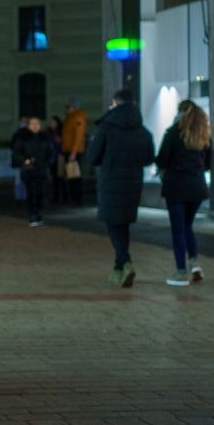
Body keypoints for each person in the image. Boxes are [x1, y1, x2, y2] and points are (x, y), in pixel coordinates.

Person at [87, 89, 154, 287]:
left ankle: (125, 261)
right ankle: (118, 267)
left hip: (110, 183)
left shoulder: (106, 128)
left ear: (115, 103)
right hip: (133, 184)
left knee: (114, 224)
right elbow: (149, 158)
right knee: (122, 224)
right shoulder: (143, 131)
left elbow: (92, 157)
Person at [156, 102, 211, 286]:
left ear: (181, 113)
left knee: (178, 229)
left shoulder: (173, 132)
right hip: (197, 187)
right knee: (187, 226)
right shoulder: (203, 135)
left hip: (176, 187)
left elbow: (162, 159)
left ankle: (181, 272)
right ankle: (194, 263)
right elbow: (209, 163)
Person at [12, 116, 54, 226]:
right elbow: (17, 152)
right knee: (31, 192)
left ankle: (37, 213)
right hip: (29, 169)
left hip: (41, 169)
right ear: (29, 126)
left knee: (39, 192)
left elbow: (49, 152)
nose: (35, 126)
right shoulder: (22, 137)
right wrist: (24, 161)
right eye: (33, 124)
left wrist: (48, 162)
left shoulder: (44, 137)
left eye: (37, 124)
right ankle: (32, 214)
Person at [61, 97, 89, 206]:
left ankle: (77, 198)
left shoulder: (78, 118)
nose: (66, 108)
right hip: (69, 150)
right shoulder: (70, 117)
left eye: (68, 106)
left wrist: (73, 152)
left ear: (73, 106)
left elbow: (78, 137)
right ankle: (73, 197)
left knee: (74, 176)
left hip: (73, 152)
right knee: (71, 176)